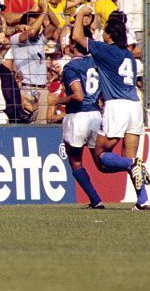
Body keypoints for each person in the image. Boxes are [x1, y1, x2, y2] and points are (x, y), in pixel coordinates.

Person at [72, 7, 150, 210]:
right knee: (130, 155)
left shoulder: (105, 50)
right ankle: (143, 200)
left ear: (108, 35)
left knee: (101, 155)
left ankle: (130, 165)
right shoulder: (129, 55)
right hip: (135, 106)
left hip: (117, 106)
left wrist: (81, 14)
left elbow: (77, 37)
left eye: (104, 31)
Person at [48, 30, 105, 209]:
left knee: (75, 160)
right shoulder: (97, 63)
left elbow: (78, 96)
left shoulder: (71, 67)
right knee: (101, 161)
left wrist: (57, 100)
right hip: (96, 115)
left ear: (73, 45)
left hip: (77, 117)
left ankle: (96, 200)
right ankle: (128, 165)